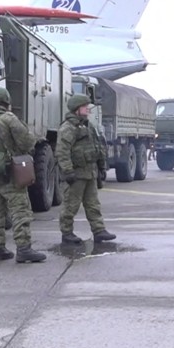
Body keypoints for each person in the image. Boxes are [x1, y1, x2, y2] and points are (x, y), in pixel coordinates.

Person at [0, 87, 46, 263]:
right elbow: (28, 142)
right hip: (8, 172)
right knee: (20, 210)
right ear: (6, 103)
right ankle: (24, 249)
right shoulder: (9, 119)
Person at [56, 94, 115, 244]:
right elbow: (62, 151)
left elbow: (98, 146)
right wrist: (68, 171)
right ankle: (67, 233)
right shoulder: (68, 128)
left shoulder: (88, 126)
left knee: (93, 204)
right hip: (77, 173)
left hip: (90, 172)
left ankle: (99, 230)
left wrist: (101, 167)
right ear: (77, 109)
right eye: (85, 106)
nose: (88, 109)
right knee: (71, 205)